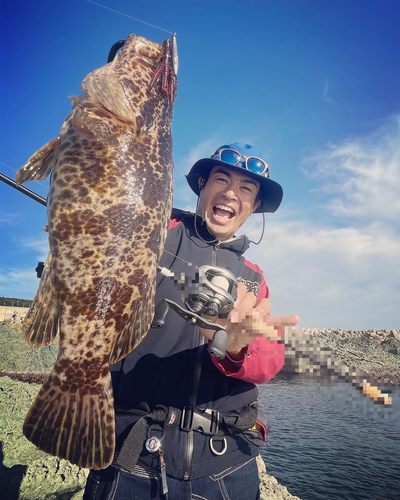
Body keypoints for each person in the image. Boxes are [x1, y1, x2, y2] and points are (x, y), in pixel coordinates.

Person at [83, 142, 300, 500]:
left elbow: (269, 363)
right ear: (202, 184)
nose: (231, 192)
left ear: (255, 205)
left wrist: (235, 348)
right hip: (130, 460)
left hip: (228, 467)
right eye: (221, 179)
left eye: (246, 188)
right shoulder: (154, 231)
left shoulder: (255, 277)